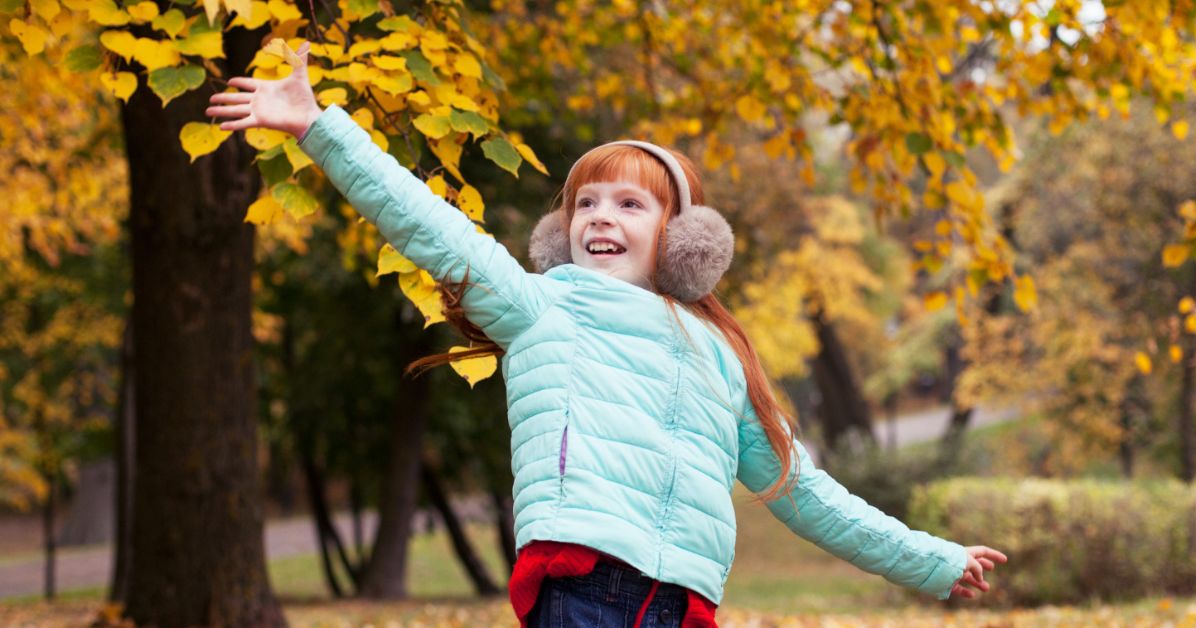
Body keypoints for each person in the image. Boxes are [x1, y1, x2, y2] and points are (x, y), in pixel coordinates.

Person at [207, 40, 1007, 628]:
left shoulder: (722, 356)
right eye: (586, 202)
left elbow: (804, 494)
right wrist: (320, 129)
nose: (600, 217)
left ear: (681, 238)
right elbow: (432, 228)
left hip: (684, 603)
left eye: (631, 204)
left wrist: (932, 561)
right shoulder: (540, 307)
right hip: (584, 587)